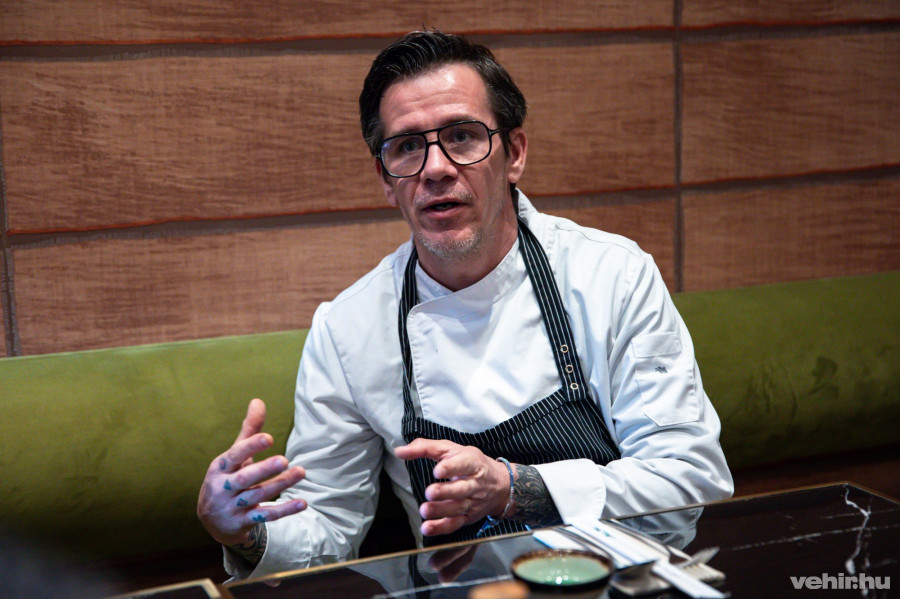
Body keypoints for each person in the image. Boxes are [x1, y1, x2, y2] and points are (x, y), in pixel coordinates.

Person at [197, 30, 733, 578]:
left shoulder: (611, 276)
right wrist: (246, 529)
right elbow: (327, 530)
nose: (435, 168)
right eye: (407, 146)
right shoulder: (349, 329)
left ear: (514, 154)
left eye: (461, 136)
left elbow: (688, 480)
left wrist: (514, 488)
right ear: (386, 179)